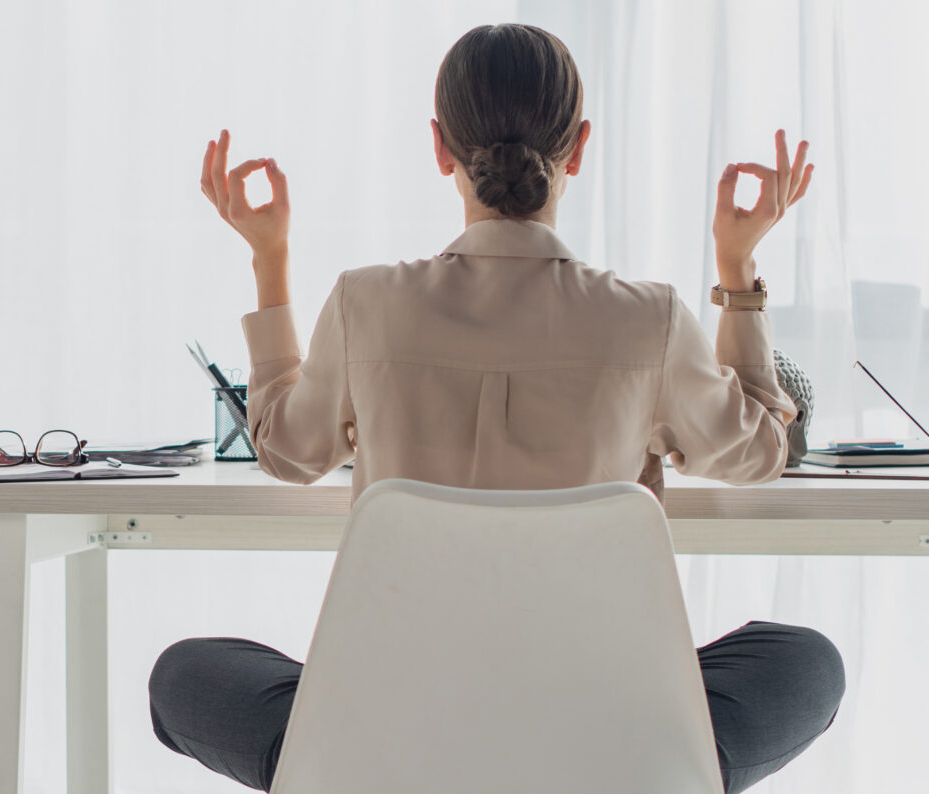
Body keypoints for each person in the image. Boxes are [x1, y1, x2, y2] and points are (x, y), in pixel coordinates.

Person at [149, 23, 845, 793]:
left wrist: (269, 261)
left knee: (184, 674)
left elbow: (285, 449)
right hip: (607, 733)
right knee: (805, 661)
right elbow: (757, 455)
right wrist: (738, 272)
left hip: (393, 735)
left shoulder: (366, 303)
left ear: (442, 148)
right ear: (578, 148)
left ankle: (346, 761)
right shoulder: (648, 317)